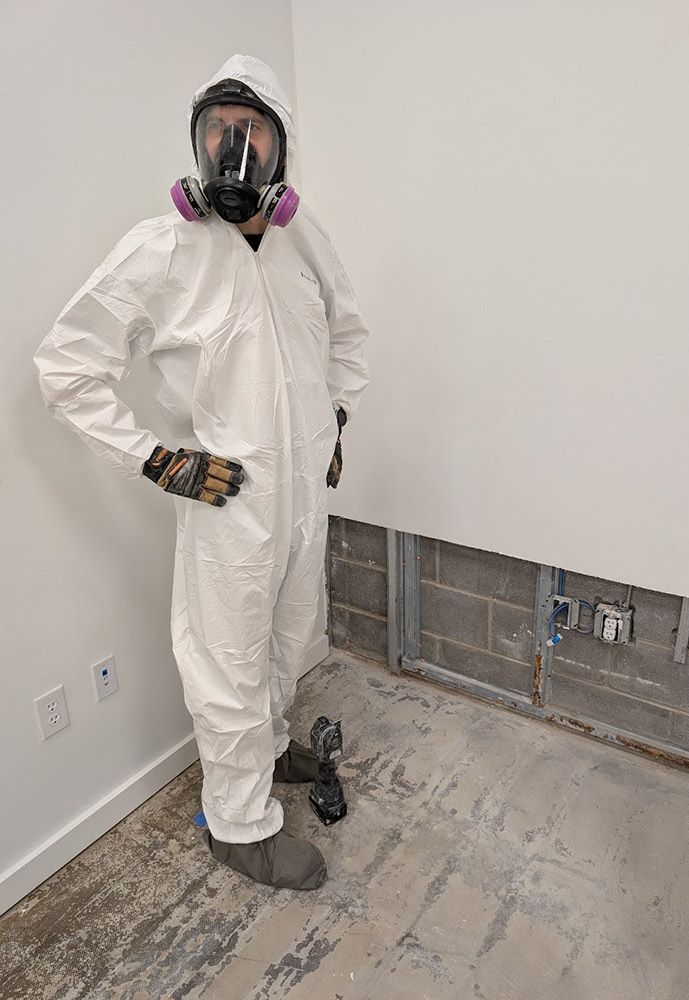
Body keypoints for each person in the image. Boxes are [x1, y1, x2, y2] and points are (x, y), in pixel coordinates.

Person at [34, 55, 370, 891]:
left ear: (280, 149)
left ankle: (268, 752)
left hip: (303, 494)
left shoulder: (302, 237)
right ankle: (240, 826)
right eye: (218, 127)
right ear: (196, 141)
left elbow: (348, 334)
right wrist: (157, 459)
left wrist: (336, 420)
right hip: (228, 499)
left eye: (251, 129)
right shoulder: (161, 249)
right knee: (227, 660)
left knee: (289, 639)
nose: (233, 146)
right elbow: (65, 369)